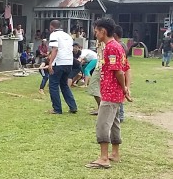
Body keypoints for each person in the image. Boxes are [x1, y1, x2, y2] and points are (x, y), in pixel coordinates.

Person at [86, 18, 131, 169]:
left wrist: (124, 87)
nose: (95, 34)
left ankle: (104, 157)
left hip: (111, 92)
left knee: (102, 123)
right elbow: (126, 68)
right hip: (115, 93)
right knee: (114, 123)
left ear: (103, 31)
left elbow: (118, 71)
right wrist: (124, 88)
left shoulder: (111, 47)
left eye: (96, 31)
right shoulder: (118, 47)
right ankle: (115, 153)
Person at [47, 20, 77, 114]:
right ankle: (73, 106)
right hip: (68, 62)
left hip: (59, 63)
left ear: (52, 27)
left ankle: (57, 109)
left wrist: (50, 63)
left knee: (53, 85)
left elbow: (55, 49)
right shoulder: (67, 35)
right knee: (64, 85)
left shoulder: (54, 35)